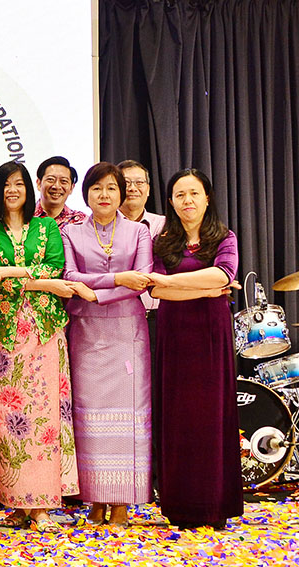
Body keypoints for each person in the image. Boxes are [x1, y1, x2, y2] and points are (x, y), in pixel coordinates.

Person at [0, 161, 89, 532]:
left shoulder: (46, 226)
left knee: (44, 418)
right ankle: (14, 502)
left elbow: (57, 267)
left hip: (44, 332)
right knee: (9, 422)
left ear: (30, 190)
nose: (13, 190)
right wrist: (35, 279)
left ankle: (42, 505)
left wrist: (21, 277)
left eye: (19, 184)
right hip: (5, 336)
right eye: (6, 185)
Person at [147, 168, 242, 529]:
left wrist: (177, 282)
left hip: (210, 334)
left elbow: (224, 276)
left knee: (211, 417)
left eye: (194, 193)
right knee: (178, 418)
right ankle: (180, 505)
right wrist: (204, 287)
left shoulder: (224, 236)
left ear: (206, 198)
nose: (187, 200)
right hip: (175, 335)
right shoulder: (163, 241)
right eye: (180, 195)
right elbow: (156, 291)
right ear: (170, 201)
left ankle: (214, 504)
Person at [60, 163, 153, 527]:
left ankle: (122, 502)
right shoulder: (71, 232)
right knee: (90, 418)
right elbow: (69, 276)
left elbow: (141, 280)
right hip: (86, 333)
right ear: (86, 194)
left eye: (111, 189)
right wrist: (116, 277)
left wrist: (95, 293)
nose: (104, 195)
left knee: (128, 418)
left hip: (127, 334)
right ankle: (95, 499)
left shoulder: (138, 232)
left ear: (121, 194)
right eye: (97, 188)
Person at [117, 158, 165, 493]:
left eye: (140, 183)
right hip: (117, 324)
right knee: (122, 401)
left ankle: (159, 476)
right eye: (126, 183)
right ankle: (124, 477)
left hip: (160, 319)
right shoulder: (102, 226)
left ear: (149, 189)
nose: (133, 189)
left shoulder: (165, 225)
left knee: (160, 398)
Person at [34, 156, 86, 229]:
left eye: (63, 181)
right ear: (39, 183)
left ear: (71, 188)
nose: (56, 186)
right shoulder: (23, 217)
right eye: (51, 179)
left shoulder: (81, 222)